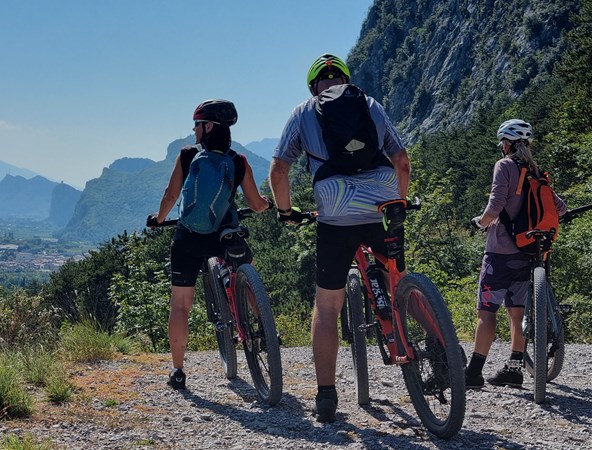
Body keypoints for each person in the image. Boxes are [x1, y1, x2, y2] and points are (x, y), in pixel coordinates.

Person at [269, 53, 410, 422]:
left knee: (328, 306)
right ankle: (439, 350)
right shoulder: (371, 104)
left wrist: (285, 212)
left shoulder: (303, 111)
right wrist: (400, 202)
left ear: (313, 85)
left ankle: (327, 396)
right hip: (382, 202)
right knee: (399, 278)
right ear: (346, 80)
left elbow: (280, 168)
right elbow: (402, 161)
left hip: (335, 210)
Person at [147, 99, 272, 390]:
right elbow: (255, 203)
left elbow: (170, 195)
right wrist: (267, 205)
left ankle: (178, 370)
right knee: (247, 273)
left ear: (208, 127)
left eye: (196, 126)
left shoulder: (188, 156)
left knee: (180, 306)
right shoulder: (239, 162)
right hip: (223, 235)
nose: (194, 132)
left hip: (188, 239)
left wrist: (159, 218)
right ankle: (264, 328)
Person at [465, 119, 566, 389]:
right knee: (517, 315)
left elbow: (495, 206)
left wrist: (479, 222)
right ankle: (514, 369)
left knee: (486, 313)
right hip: (528, 252)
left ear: (506, 144)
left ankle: (473, 373)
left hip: (500, 253)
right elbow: (561, 207)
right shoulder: (535, 170)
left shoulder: (505, 166)